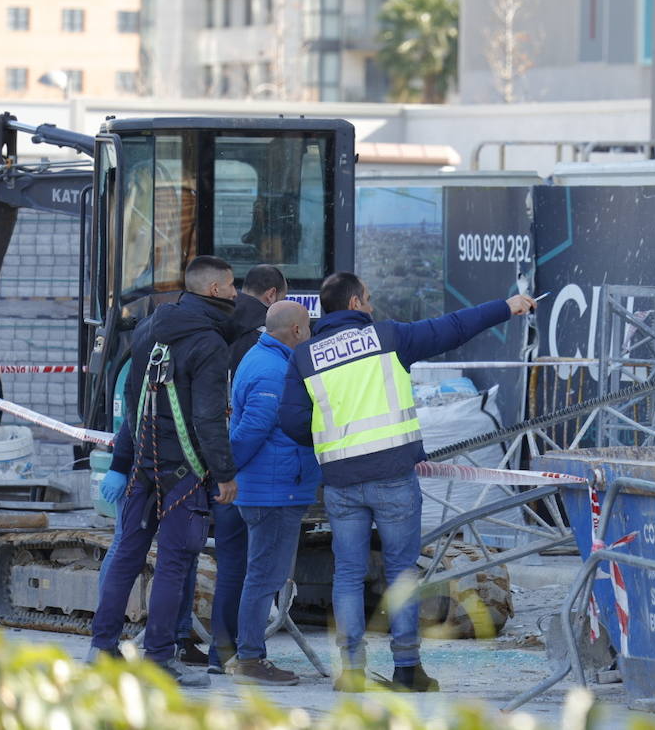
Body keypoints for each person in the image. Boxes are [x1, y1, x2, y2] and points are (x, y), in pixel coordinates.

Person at [279, 272, 535, 693]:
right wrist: (506, 307)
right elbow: (453, 328)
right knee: (400, 572)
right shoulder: (388, 338)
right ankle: (406, 669)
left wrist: (332, 439)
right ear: (357, 304)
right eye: (370, 299)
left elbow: (290, 420)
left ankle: (352, 672)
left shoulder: (304, 357)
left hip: (342, 480)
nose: (374, 306)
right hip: (393, 475)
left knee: (347, 574)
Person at [88, 255, 240, 687]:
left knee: (126, 556)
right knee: (174, 564)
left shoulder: (149, 328)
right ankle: (158, 659)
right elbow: (209, 419)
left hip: (143, 466)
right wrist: (224, 474)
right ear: (213, 290)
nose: (234, 293)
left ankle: (102, 649)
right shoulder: (209, 342)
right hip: (185, 473)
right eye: (230, 286)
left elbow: (134, 401)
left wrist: (125, 462)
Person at [201, 263, 287, 673]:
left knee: (230, 562)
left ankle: (221, 652)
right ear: (272, 296)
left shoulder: (212, 326)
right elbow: (258, 422)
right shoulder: (266, 341)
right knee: (257, 566)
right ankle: (246, 654)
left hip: (214, 460)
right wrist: (229, 469)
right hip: (249, 472)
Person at [227, 300, 316, 685]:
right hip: (273, 492)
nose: (310, 334)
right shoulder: (273, 370)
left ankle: (248, 655)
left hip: (272, 487)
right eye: (308, 328)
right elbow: (250, 431)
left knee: (262, 574)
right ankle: (250, 658)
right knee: (265, 576)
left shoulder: (261, 356)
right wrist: (230, 469)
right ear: (296, 331)